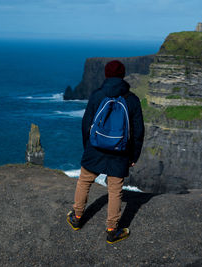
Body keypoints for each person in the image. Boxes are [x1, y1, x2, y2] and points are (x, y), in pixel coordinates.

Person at [67, 60, 145, 244]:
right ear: (122, 75)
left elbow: (86, 123)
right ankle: (112, 230)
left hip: (95, 147)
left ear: (106, 75)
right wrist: (134, 156)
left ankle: (77, 218)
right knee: (115, 190)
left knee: (84, 181)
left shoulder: (97, 95)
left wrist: (88, 146)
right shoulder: (132, 99)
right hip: (120, 151)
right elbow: (138, 130)